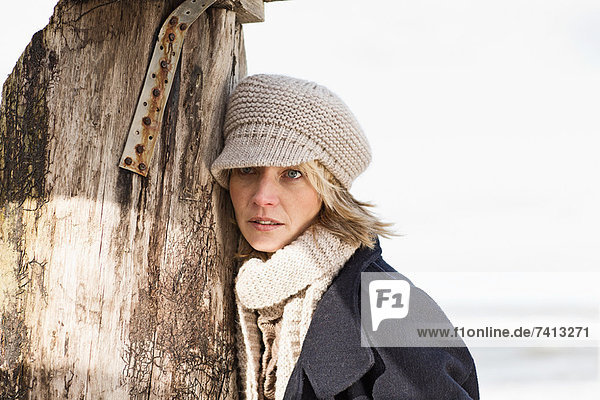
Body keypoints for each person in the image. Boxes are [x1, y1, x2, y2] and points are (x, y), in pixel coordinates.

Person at [210, 74, 479, 400]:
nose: (262, 196)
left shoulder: (390, 308)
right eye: (247, 169)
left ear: (328, 190)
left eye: (292, 174)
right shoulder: (252, 294)